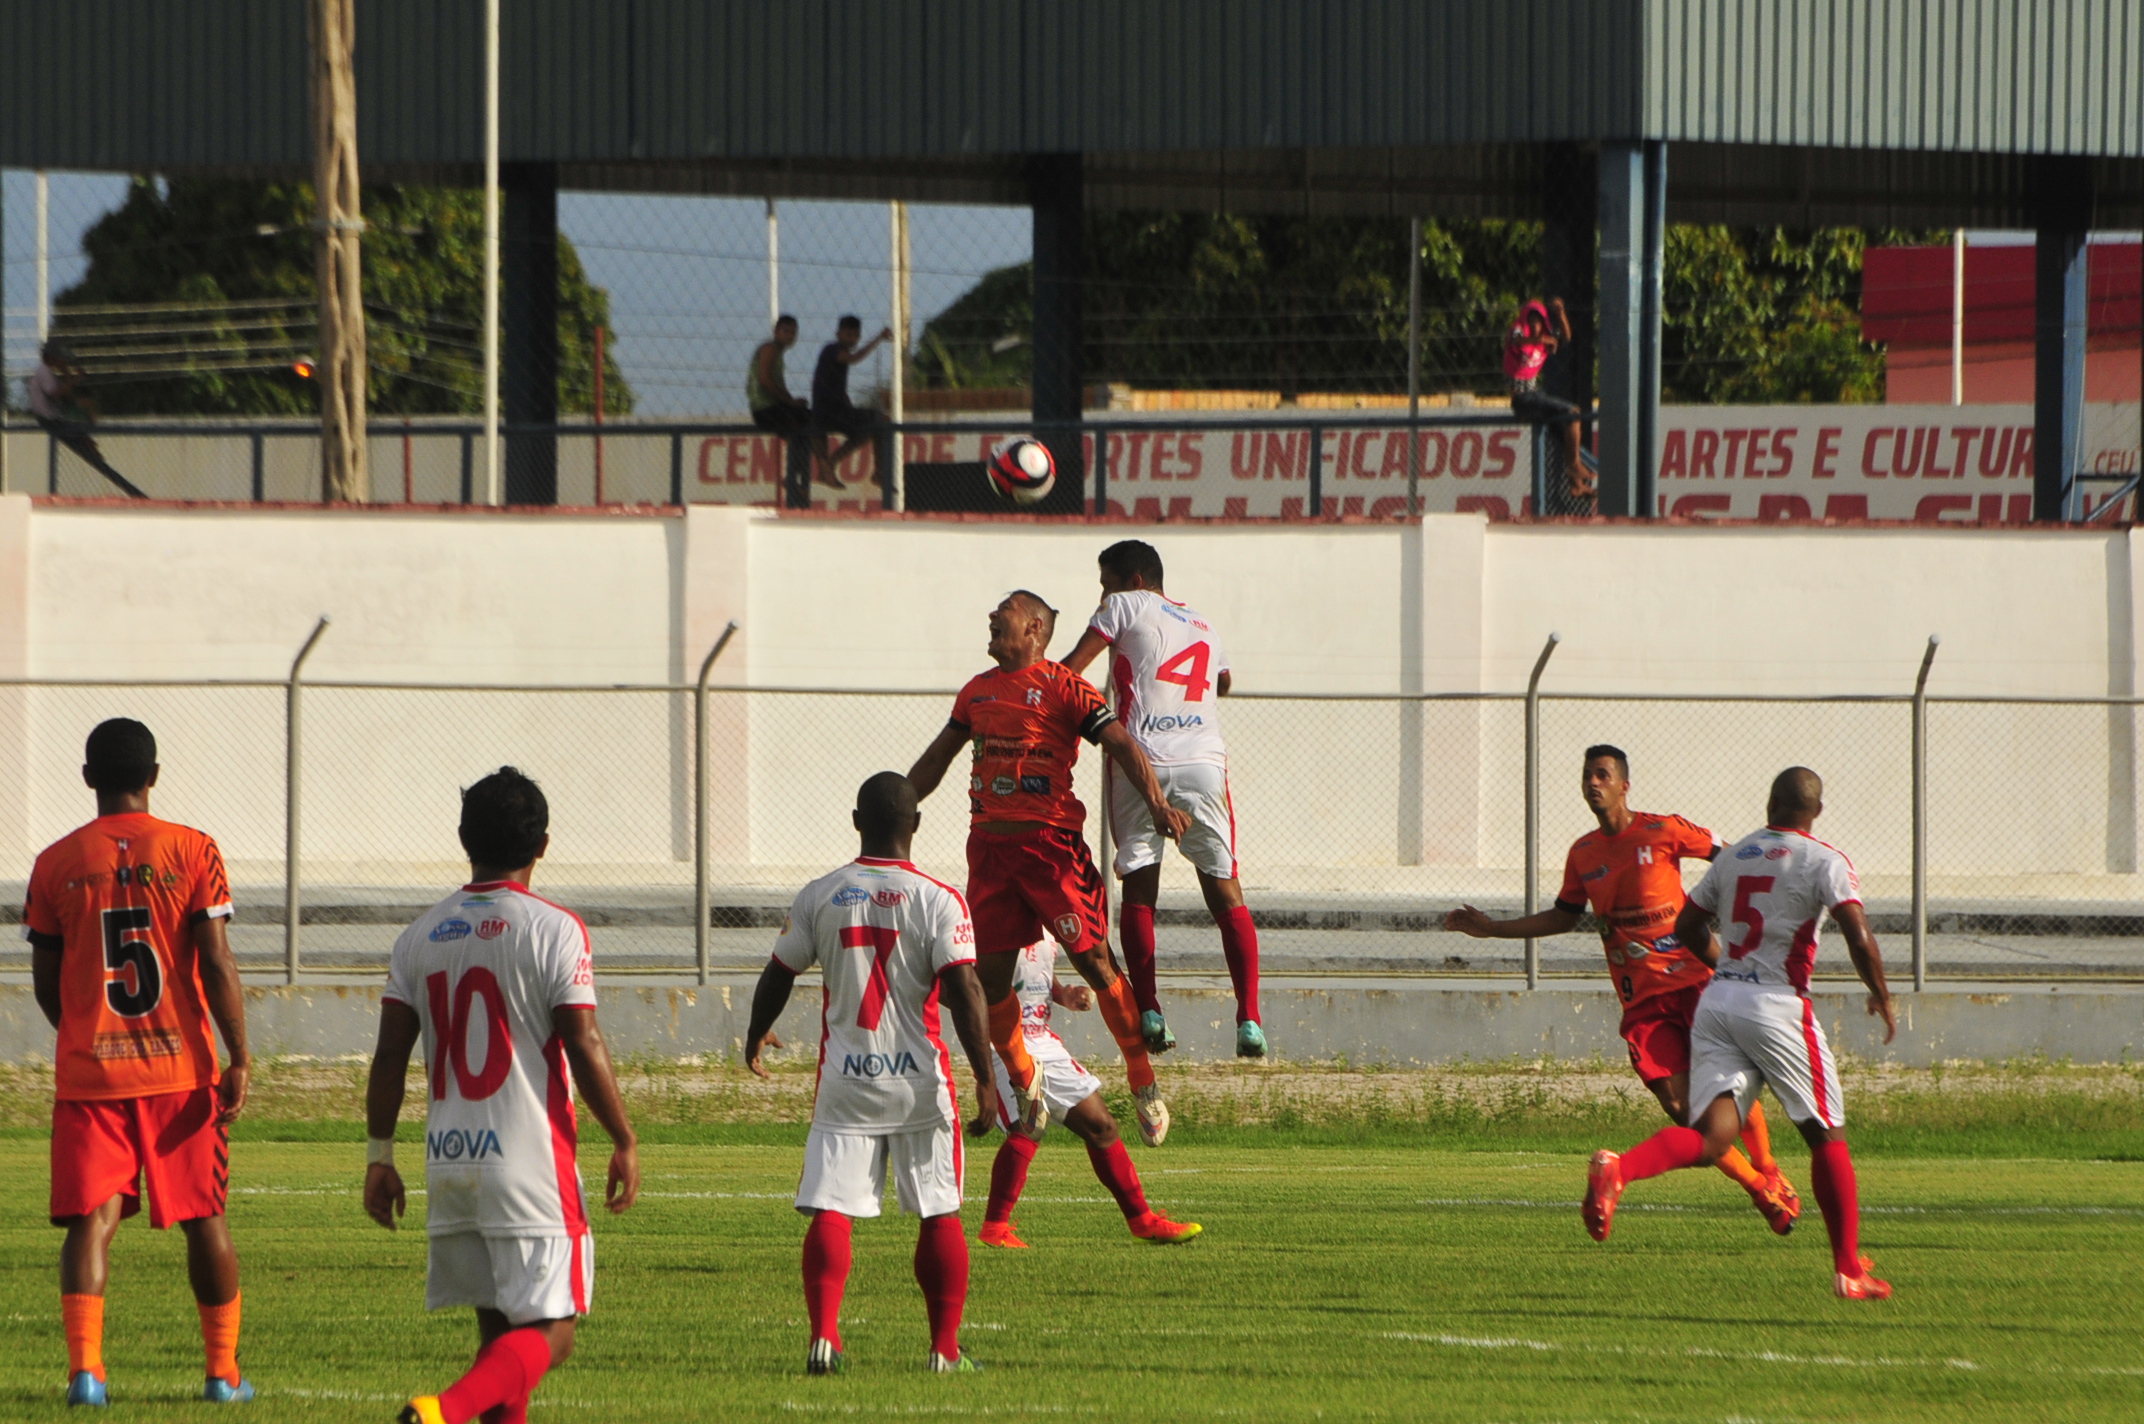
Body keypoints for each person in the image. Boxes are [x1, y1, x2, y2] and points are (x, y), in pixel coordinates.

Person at [363, 767, 641, 1424]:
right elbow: (583, 1040)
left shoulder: (420, 935)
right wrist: (625, 1137)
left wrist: (379, 1154)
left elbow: (388, 1057)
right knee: (554, 1333)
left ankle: (454, 1408)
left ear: (464, 839)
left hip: (451, 1160)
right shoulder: (555, 928)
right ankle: (440, 1412)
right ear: (542, 843)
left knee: (498, 1341)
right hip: (529, 1165)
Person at [1443, 745, 1800, 1235]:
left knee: (1725, 1089)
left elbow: (1734, 856)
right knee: (1684, 1109)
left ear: (1623, 785)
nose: (1593, 782)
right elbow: (1563, 917)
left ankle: (1768, 1174)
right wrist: (1492, 929)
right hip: (1642, 1002)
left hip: (1698, 986)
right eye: (1588, 775)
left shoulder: (1665, 830)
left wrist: (1738, 916)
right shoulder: (1584, 854)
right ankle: (1760, 1187)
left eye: (1603, 774)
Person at [1582, 767, 1898, 1301]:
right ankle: (1848, 1268)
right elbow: (1858, 933)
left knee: (1711, 1137)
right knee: (1826, 1135)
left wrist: (1729, 966)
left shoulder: (1736, 855)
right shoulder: (1826, 859)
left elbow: (1686, 927)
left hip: (1719, 1001)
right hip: (1777, 1004)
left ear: (1770, 802)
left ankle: (1620, 1169)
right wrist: (1882, 995)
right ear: (1815, 812)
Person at [907, 591, 1192, 1149]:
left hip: (1052, 851)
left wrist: (1158, 805)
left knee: (1095, 962)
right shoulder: (977, 691)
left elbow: (1122, 744)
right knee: (988, 981)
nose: (991, 616)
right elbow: (938, 757)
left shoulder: (1066, 687)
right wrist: (894, 813)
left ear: (1034, 627)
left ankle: (1142, 1082)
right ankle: (1024, 1077)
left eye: (1005, 611)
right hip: (989, 853)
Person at [26, 717, 254, 1406]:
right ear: (153, 776)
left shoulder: (55, 862)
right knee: (205, 1219)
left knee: (90, 1221)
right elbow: (214, 961)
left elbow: (45, 975)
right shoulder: (193, 849)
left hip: (92, 1073)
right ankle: (222, 1374)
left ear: (89, 777)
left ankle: (86, 1374)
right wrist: (239, 1054)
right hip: (179, 1073)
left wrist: (80, 1034)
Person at [742, 772, 998, 1375]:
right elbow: (965, 987)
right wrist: (986, 1077)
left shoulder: (821, 893)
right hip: (919, 1083)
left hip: (846, 1079)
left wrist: (753, 1033)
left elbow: (780, 970)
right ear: (915, 825)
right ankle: (944, 1349)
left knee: (832, 1206)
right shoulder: (939, 899)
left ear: (856, 822)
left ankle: (824, 1337)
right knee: (938, 1209)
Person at [1060, 539, 1266, 1058]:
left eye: (1105, 582)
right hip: (1203, 762)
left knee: (1140, 890)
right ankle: (1250, 1019)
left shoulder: (1124, 604)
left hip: (1140, 756)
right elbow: (1223, 682)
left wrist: (1039, 689)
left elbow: (1072, 669)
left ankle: (1150, 1011)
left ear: (1130, 582)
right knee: (1226, 895)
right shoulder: (1204, 624)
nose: (1101, 593)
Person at [968, 936, 1201, 1248]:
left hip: (1041, 1039)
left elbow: (1030, 971)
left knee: (1102, 1127)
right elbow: (964, 982)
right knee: (1027, 1127)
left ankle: (1143, 1222)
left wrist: (1061, 993)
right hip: (1003, 1042)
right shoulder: (988, 914)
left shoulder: (1043, 911)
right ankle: (994, 1228)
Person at [1504, 298, 1592, 514]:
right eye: (1531, 321)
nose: (1534, 325)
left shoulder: (1543, 344)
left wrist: (1560, 314)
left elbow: (1566, 338)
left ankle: (1576, 485)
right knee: (1572, 412)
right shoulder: (1519, 332)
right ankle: (1574, 466)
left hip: (1534, 396)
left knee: (1564, 434)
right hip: (1521, 398)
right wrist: (1541, 338)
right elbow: (1516, 341)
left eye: (1538, 322)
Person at [28, 340, 143, 498]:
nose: (64, 362)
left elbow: (66, 395)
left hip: (54, 413)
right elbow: (55, 393)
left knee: (85, 406)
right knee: (87, 408)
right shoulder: (44, 372)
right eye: (61, 359)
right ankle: (88, 432)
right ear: (52, 358)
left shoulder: (47, 371)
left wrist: (69, 375)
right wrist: (71, 378)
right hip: (50, 417)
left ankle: (87, 437)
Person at [748, 314, 834, 508]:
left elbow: (779, 385)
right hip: (765, 409)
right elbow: (766, 380)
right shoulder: (769, 349)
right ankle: (808, 475)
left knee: (806, 429)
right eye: (786, 331)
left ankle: (802, 480)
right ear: (776, 331)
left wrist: (792, 402)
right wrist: (789, 401)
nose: (790, 336)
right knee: (804, 427)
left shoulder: (778, 355)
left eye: (793, 333)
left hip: (774, 407)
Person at [810, 315, 895, 488]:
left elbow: (834, 385)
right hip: (828, 413)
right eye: (848, 334)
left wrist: (846, 400)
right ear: (838, 334)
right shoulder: (832, 350)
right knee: (881, 421)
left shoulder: (836, 356)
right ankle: (831, 464)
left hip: (838, 411)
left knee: (874, 428)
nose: (851, 339)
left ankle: (877, 473)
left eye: (855, 335)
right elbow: (854, 358)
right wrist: (879, 338)